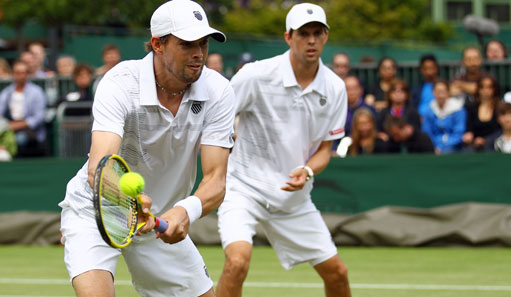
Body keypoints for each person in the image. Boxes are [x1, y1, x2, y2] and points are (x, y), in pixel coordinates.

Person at [58, 1, 234, 296]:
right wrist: (130, 201)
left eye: (203, 44)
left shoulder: (218, 91)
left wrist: (184, 211)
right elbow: (100, 165)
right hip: (99, 210)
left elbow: (216, 180)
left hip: (160, 220)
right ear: (158, 44)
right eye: (187, 44)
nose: (198, 54)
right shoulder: (119, 83)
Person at [216, 3, 351, 297]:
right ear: (289, 38)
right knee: (237, 263)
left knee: (338, 274)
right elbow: (216, 119)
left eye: (318, 33)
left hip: (293, 200)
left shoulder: (336, 88)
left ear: (326, 37)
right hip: (244, 190)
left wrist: (307, 169)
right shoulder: (254, 75)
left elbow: (325, 149)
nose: (311, 40)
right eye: (304, 33)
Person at [0, 60, 47, 157]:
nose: (21, 76)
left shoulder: (36, 92)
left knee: (19, 140)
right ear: (13, 74)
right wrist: (6, 126)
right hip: (8, 128)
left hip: (30, 132)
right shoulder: (6, 92)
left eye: (24, 73)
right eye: (18, 73)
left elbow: (39, 117)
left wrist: (19, 125)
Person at [332, 75, 375, 154]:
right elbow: (334, 133)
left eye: (354, 89)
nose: (351, 92)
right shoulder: (337, 111)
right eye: (348, 89)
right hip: (343, 149)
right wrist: (333, 149)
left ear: (361, 90)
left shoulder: (370, 110)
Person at [421, 80, 467, 154]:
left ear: (448, 92)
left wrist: (441, 147)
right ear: (433, 93)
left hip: (454, 147)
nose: (440, 95)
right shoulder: (429, 110)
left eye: (443, 91)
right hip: (433, 147)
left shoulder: (458, 109)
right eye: (438, 91)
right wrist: (436, 146)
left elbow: (459, 133)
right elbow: (427, 133)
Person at [462, 75, 502, 151]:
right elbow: (469, 128)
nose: (485, 90)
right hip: (475, 144)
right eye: (482, 87)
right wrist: (469, 135)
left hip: (495, 143)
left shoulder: (499, 107)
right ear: (478, 89)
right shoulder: (472, 108)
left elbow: (501, 130)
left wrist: (486, 140)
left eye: (489, 87)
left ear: (495, 89)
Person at [410, 54, 439, 118]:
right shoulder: (416, 90)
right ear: (421, 70)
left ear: (436, 68)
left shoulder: (443, 87)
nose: (429, 72)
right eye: (426, 69)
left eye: (431, 68)